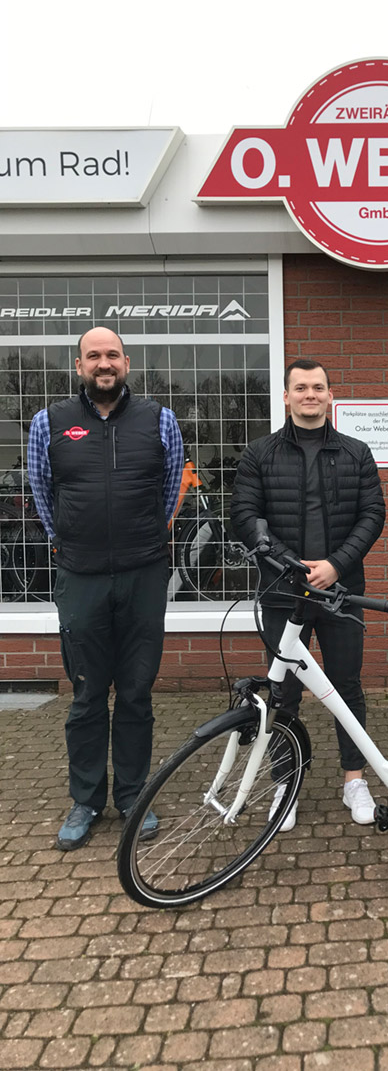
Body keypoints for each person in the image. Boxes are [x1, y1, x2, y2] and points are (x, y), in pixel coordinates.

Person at [28, 327, 183, 850]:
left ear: (127, 362)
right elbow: (41, 492)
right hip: (81, 578)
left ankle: (134, 794)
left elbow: (167, 494)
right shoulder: (48, 422)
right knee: (87, 693)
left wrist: (144, 539)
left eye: (112, 355)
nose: (103, 363)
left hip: (143, 575)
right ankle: (87, 799)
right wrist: (65, 540)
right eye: (93, 356)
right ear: (79, 366)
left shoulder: (160, 420)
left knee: (137, 693)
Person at [230, 358, 385, 830]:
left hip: (341, 594)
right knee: (284, 693)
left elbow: (372, 514)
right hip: (283, 592)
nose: (310, 395)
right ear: (286, 396)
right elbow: (246, 515)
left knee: (347, 688)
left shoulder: (357, 452)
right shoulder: (259, 453)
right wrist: (292, 567)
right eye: (301, 388)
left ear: (330, 395)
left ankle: (354, 780)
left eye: (319, 387)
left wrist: (336, 564)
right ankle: (286, 782)